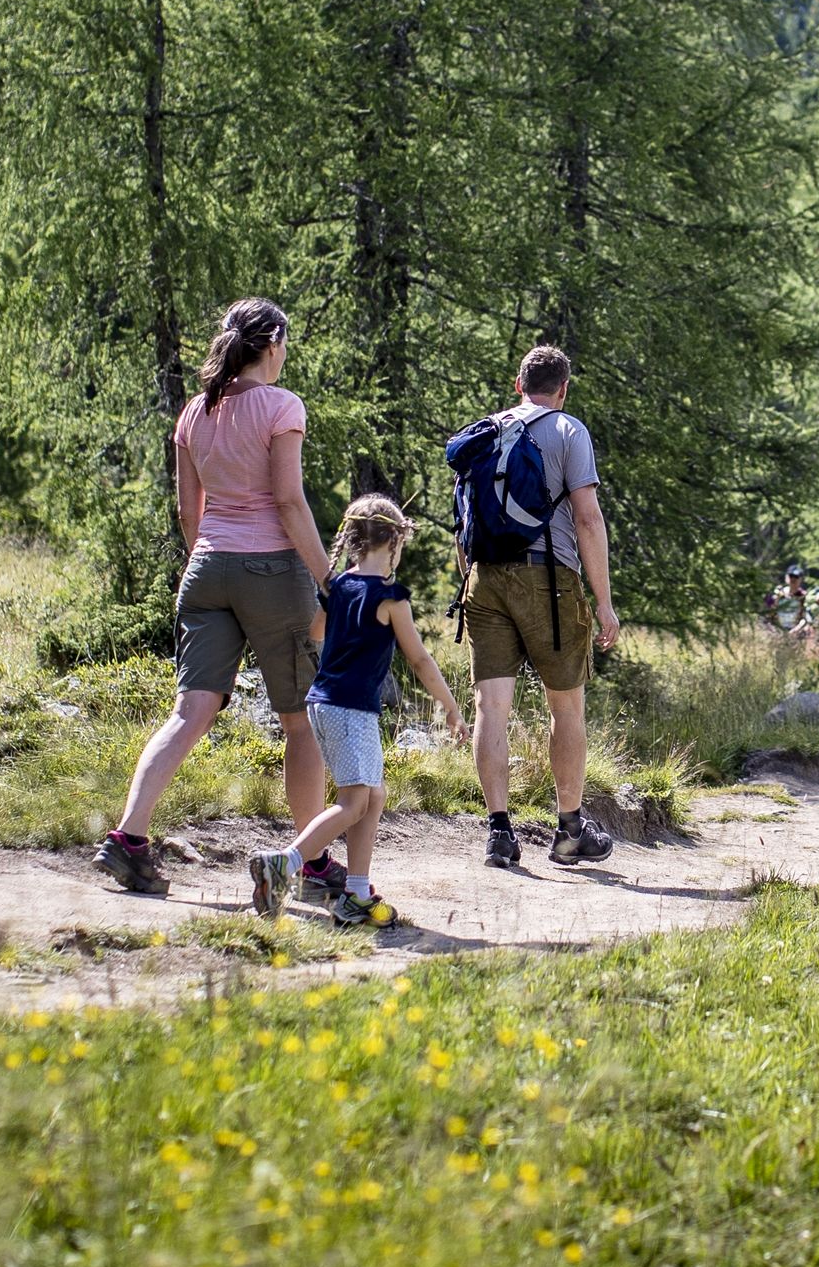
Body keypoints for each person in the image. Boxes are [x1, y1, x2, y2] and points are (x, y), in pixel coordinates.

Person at [93, 298, 340, 899]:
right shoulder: (283, 406)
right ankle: (310, 864)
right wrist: (328, 577)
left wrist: (206, 558)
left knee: (188, 713)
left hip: (204, 569)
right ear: (273, 342)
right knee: (299, 722)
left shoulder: (194, 412)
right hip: (272, 572)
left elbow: (188, 510)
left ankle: (128, 839)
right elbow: (287, 501)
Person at [249, 495, 469, 928]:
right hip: (351, 711)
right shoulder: (390, 598)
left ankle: (356, 892)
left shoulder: (338, 586)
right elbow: (421, 660)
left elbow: (316, 631)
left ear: (354, 539)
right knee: (353, 802)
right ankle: (285, 863)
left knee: (374, 795)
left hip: (322, 704)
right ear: (394, 540)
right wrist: (450, 707)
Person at [456, 345, 620, 870]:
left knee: (491, 708)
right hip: (549, 578)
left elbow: (464, 518)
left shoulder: (484, 432)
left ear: (517, 384)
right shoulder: (569, 432)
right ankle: (569, 830)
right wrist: (603, 602)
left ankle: (499, 834)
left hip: (484, 579)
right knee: (565, 707)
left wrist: (472, 580)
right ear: (563, 389)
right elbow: (588, 520)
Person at [767, 564, 811, 634]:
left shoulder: (804, 596)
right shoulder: (778, 593)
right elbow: (768, 612)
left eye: (796, 577)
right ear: (786, 577)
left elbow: (806, 618)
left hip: (796, 631)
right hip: (776, 630)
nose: (793, 579)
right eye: (791, 576)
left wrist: (795, 630)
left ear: (801, 579)